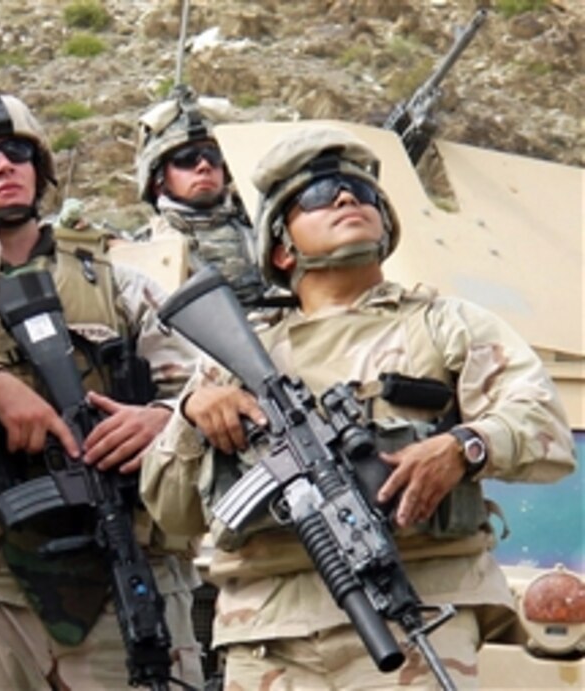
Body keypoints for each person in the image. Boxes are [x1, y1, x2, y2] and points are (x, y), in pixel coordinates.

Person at [140, 125, 577, 689]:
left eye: (364, 194)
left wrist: (464, 447)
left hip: (414, 610)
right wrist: (191, 414)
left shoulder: (445, 325)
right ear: (280, 245)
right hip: (266, 633)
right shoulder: (234, 357)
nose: (348, 199)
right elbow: (171, 513)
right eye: (319, 196)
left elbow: (545, 427)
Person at [0, 93, 205, 689]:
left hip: (124, 571)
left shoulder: (121, 287)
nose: (3, 167)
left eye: (17, 152)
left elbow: (208, 398)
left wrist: (160, 418)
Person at [134, 85, 265, 307]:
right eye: (187, 158)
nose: (204, 166)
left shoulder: (262, 233)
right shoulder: (144, 250)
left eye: (213, 156)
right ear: (157, 181)